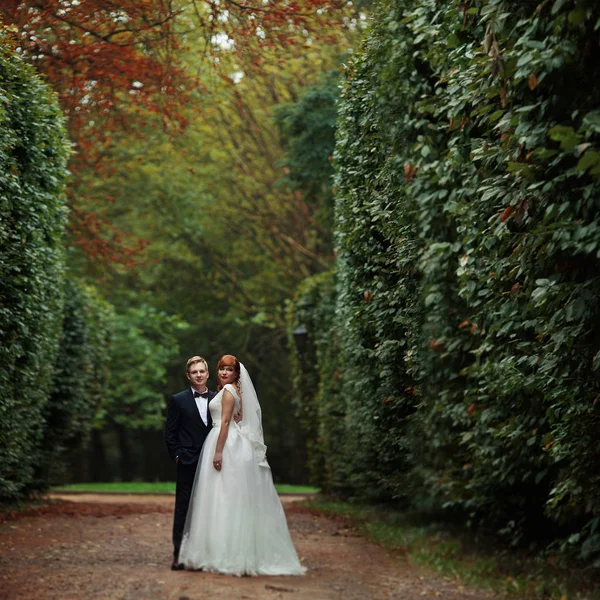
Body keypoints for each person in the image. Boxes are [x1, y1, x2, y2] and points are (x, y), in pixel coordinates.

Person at [178, 355, 306, 576]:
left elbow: (226, 421)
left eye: (229, 370)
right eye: (221, 369)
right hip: (225, 438)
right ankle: (221, 549)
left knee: (224, 496)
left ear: (237, 373)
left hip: (225, 442)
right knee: (222, 495)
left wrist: (218, 451)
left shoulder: (228, 391)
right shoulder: (231, 391)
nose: (224, 373)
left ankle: (226, 552)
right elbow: (236, 417)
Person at [165, 356, 216, 571]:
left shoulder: (217, 398)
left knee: (210, 506)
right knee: (183, 508)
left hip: (212, 461)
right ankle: (178, 553)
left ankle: (206, 553)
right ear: (188, 375)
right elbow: (170, 432)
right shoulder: (178, 400)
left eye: (202, 371)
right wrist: (177, 455)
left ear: (207, 373)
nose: (198, 375)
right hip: (187, 460)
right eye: (194, 372)